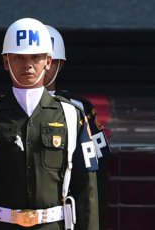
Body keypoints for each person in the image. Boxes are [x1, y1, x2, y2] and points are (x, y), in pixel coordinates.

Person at [0, 17, 99, 229]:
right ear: (5, 61)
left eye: (35, 57)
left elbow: (87, 190)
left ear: (48, 61)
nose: (27, 65)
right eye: (19, 57)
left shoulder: (72, 115)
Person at [44, 25, 110, 230]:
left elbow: (97, 167)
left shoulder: (79, 109)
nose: (42, 67)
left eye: (49, 60)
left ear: (60, 64)